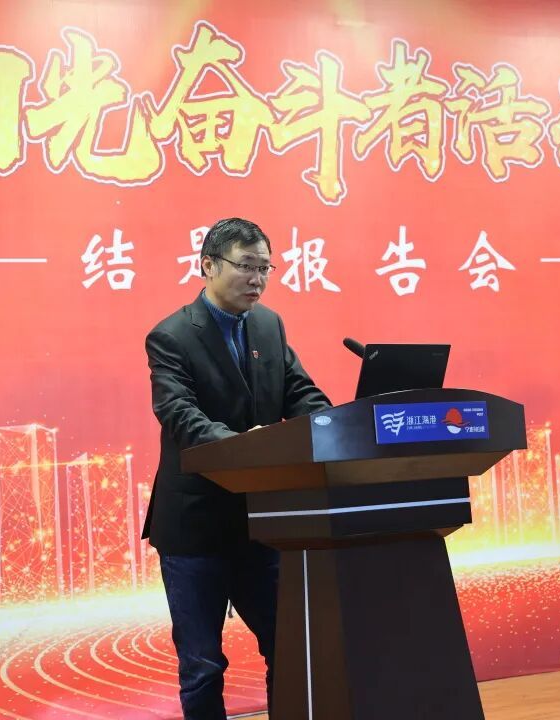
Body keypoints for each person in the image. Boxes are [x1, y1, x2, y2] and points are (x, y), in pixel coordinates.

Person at [142, 217, 331, 719]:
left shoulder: (268, 324)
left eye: (265, 268)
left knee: (288, 645)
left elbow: (298, 390)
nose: (258, 279)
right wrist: (244, 447)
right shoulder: (171, 336)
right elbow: (179, 415)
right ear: (208, 265)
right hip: (196, 528)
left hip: (260, 521)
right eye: (247, 266)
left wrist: (332, 427)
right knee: (203, 666)